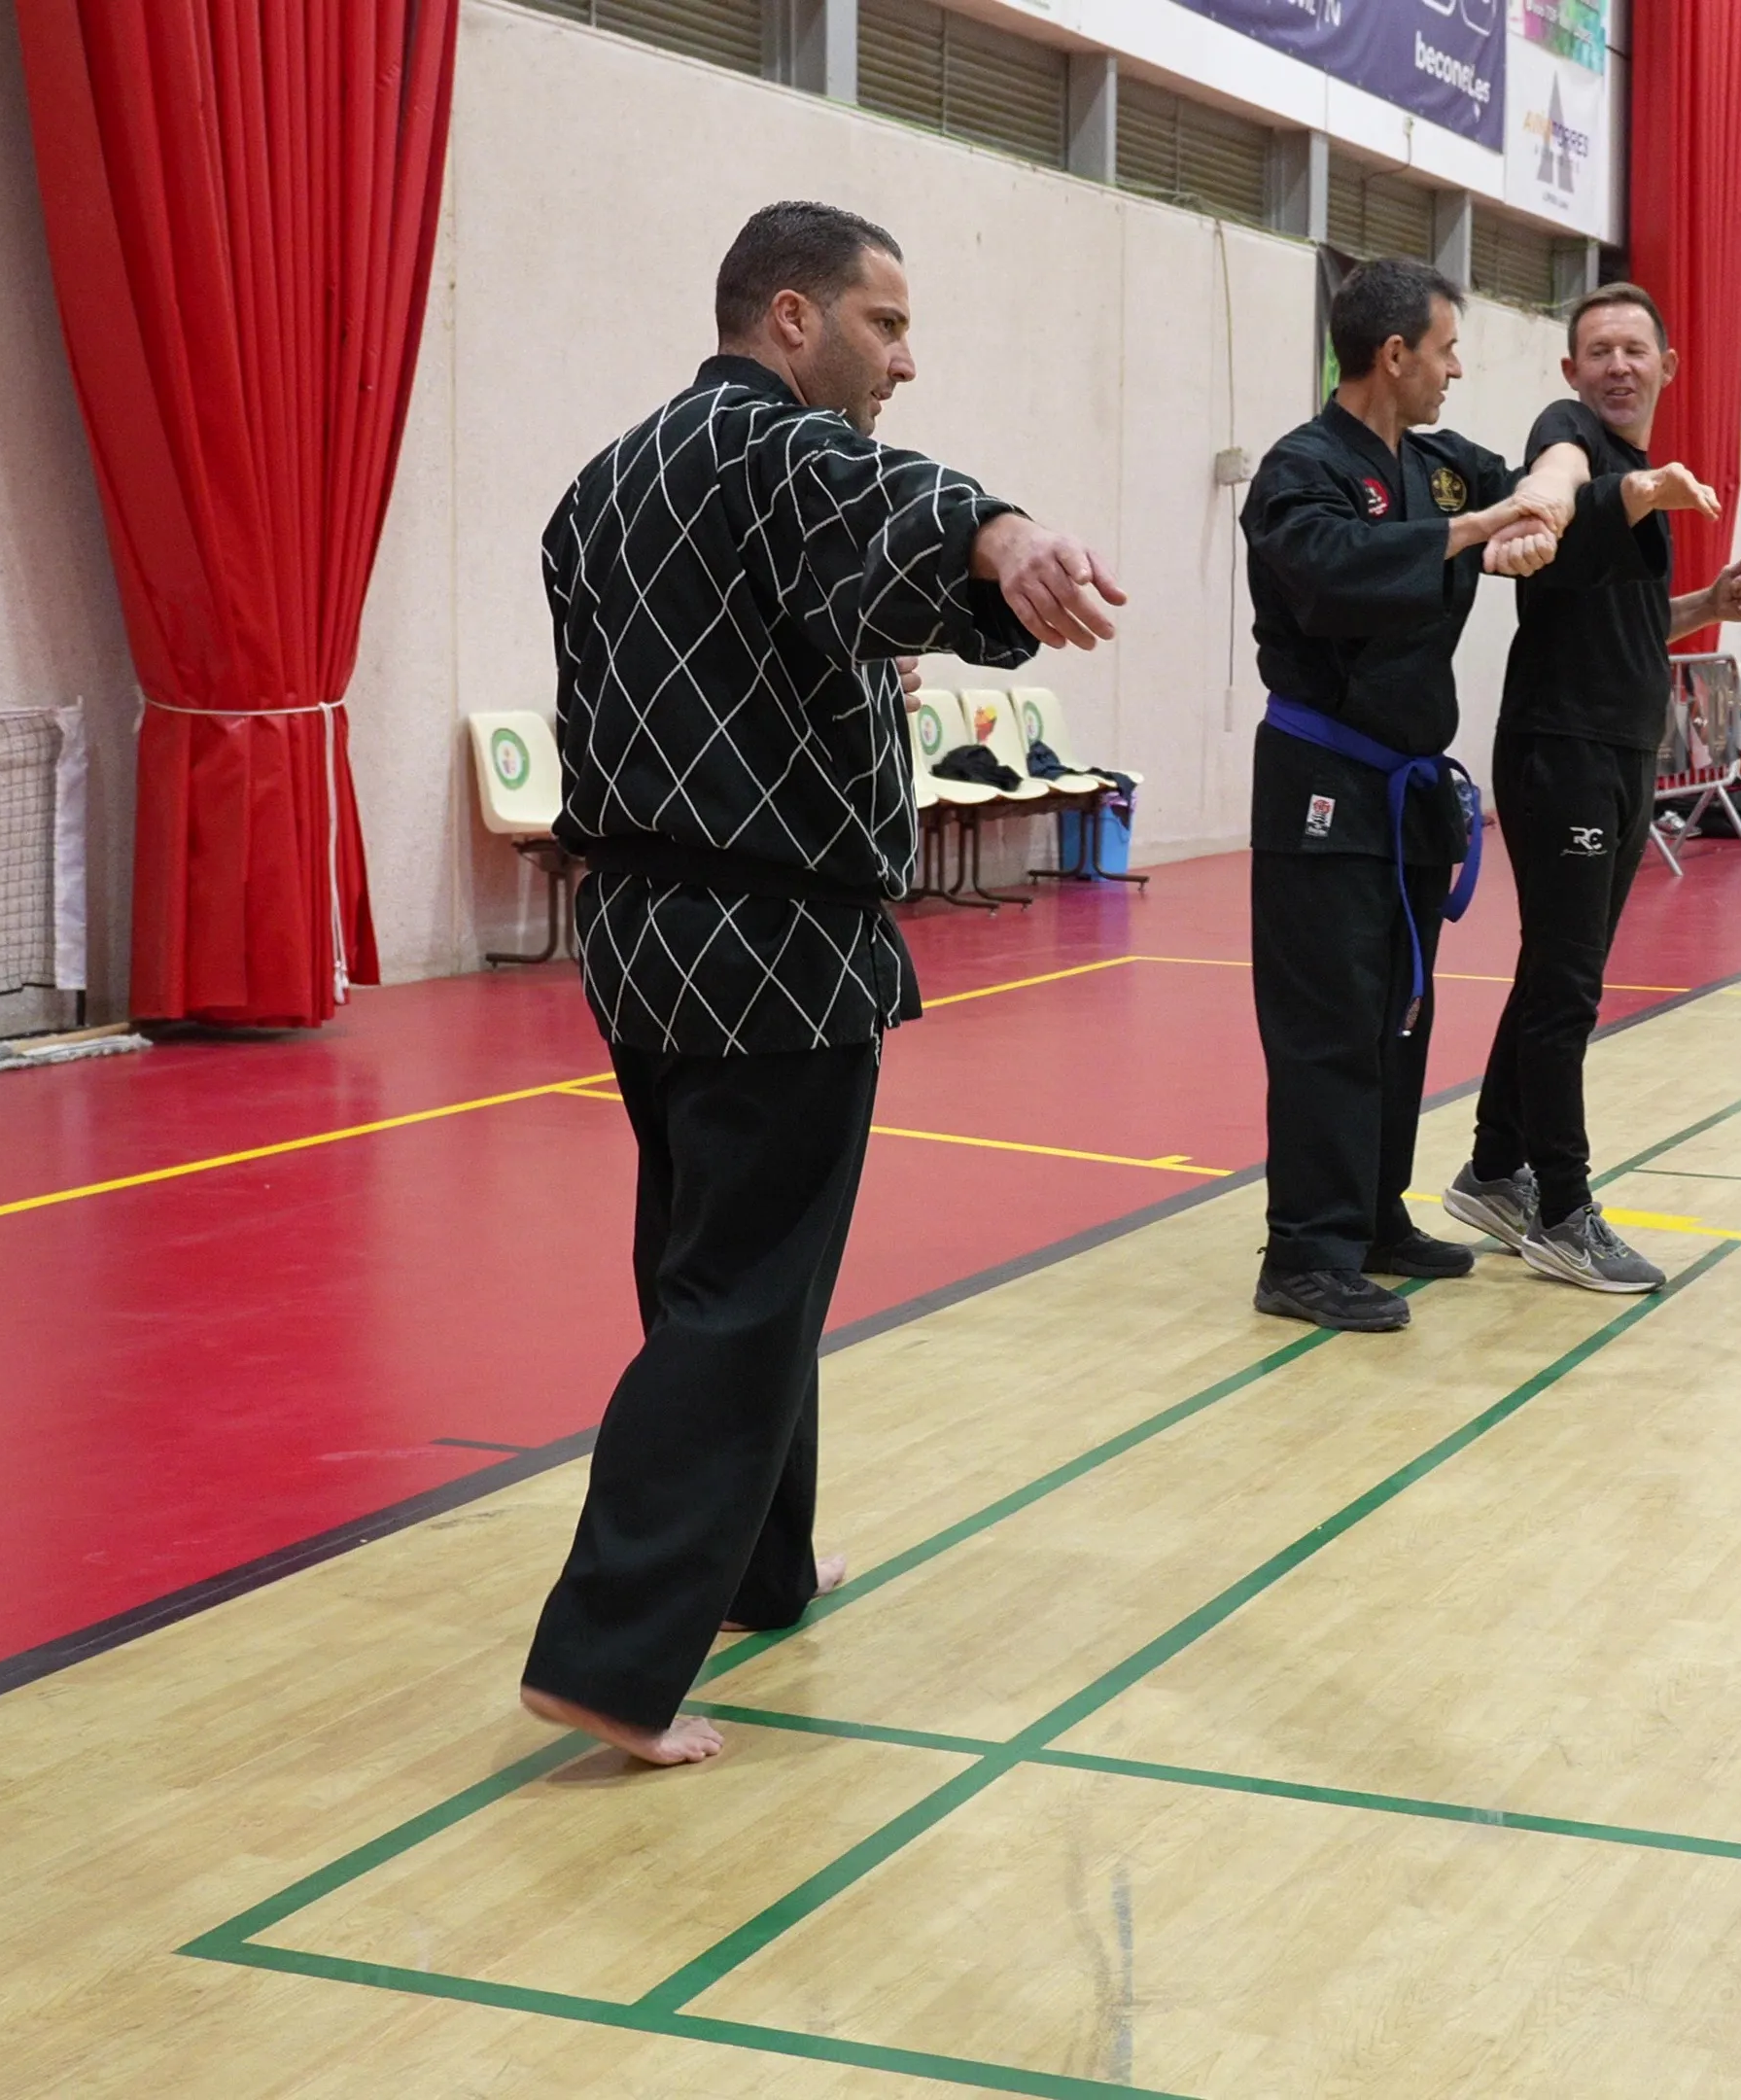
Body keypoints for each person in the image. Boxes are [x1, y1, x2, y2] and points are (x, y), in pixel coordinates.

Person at [524, 201, 1125, 1767]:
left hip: (641, 934)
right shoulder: (778, 449)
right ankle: (612, 1661)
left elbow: (756, 640)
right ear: (790, 317)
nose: (904, 363)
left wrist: (877, 652)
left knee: (718, 1265)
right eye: (886, 324)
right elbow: (890, 500)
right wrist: (1003, 533)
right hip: (774, 945)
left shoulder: (602, 485)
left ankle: (757, 1568)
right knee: (742, 1295)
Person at [1237, 258, 1578, 1334]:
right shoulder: (1301, 469)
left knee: (1398, 1016)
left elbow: (1540, 471)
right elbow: (1334, 566)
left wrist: (1559, 493)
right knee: (1329, 1022)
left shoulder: (1437, 466)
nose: (1455, 369)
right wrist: (1484, 529)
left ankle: (1374, 1216)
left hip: (1411, 784)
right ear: (1393, 355)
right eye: (1445, 350)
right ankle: (1306, 1250)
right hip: (1324, 784)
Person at [1447, 284, 1741, 1297]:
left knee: (1553, 971)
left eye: (1635, 349)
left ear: (1668, 365)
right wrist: (1637, 491)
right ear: (1572, 370)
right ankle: (1563, 1210)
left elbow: (1626, 621)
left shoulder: (1631, 472)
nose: (1618, 365)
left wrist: (1708, 603)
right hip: (1563, 751)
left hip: (1624, 751)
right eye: (1599, 351)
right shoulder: (1573, 437)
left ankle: (1493, 1169)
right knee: (1569, 987)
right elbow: (1559, 485)